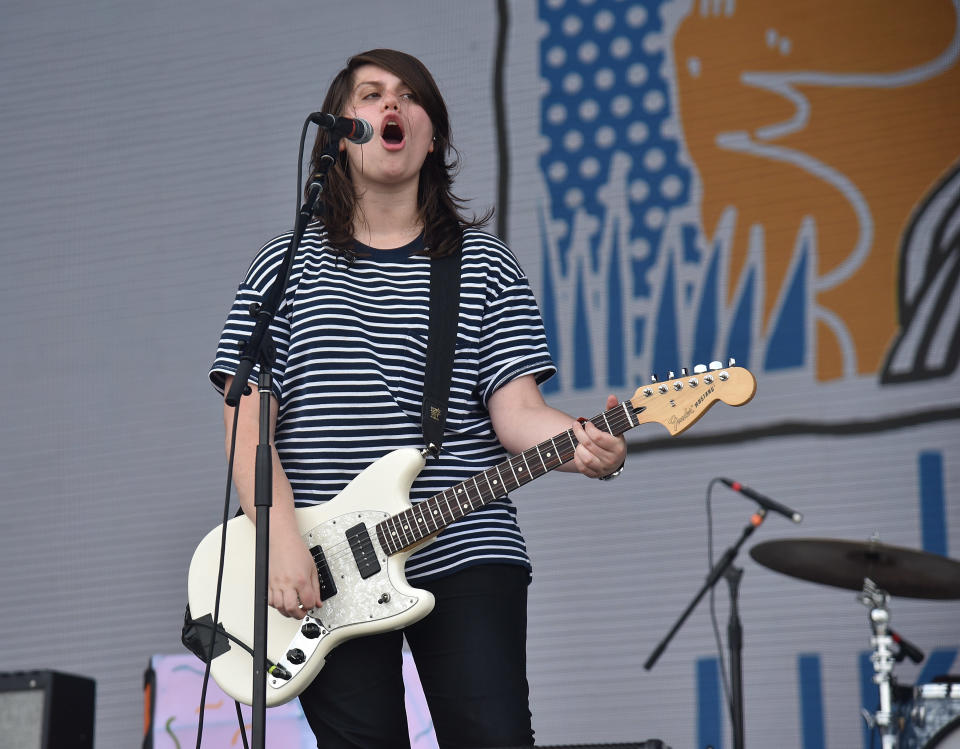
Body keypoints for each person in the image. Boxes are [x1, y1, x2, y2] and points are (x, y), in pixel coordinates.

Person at [210, 48, 627, 749]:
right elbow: (245, 413)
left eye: (408, 97)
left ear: (433, 136)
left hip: (464, 539)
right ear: (339, 132)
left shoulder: (483, 262)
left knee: (492, 735)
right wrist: (279, 537)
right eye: (370, 95)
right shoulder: (283, 265)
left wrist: (587, 446)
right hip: (322, 563)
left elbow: (517, 411)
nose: (390, 106)